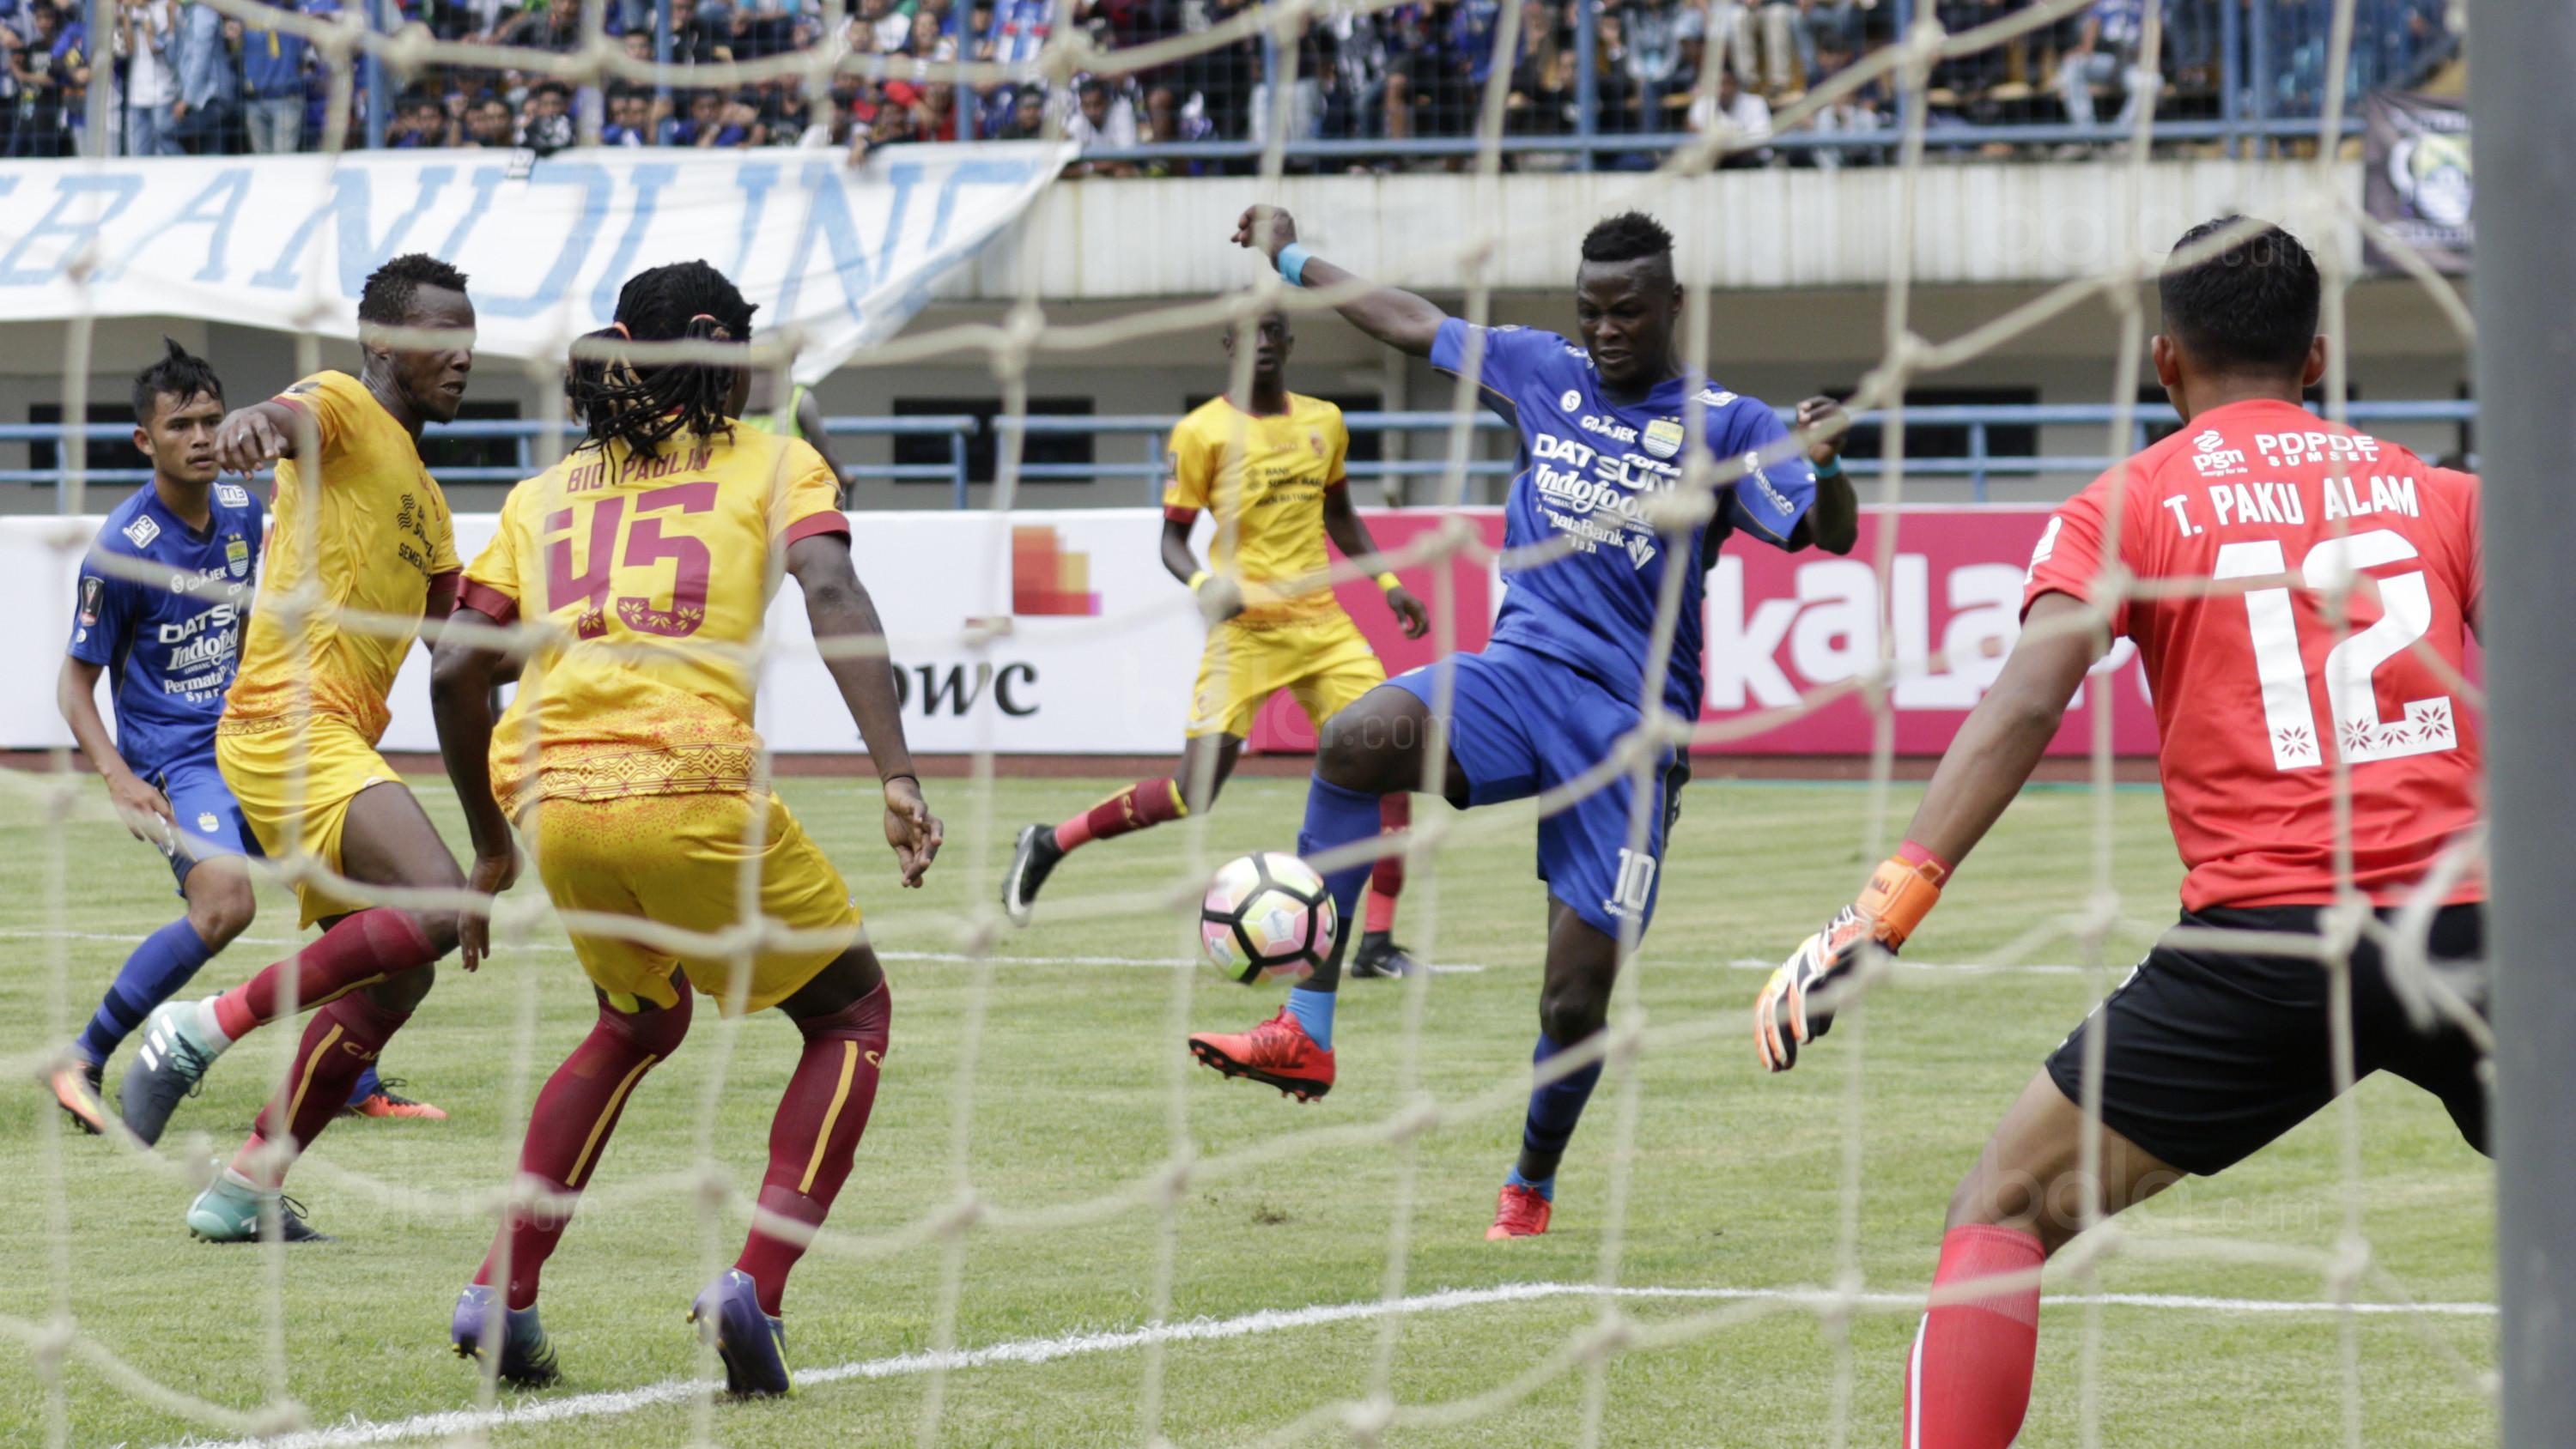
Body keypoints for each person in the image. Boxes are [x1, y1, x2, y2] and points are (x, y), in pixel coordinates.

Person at [1751, 220, 2488, 1447]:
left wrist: (1886, 908)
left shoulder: (2127, 503)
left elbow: (2028, 700)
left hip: (2267, 950)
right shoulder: (2445, 495)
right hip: (2475, 933)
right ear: (2316, 358)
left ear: (2164, 363)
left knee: (2003, 1208)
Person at [1212, 207, 1856, 1241]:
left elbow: (1829, 534)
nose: (1607, 330)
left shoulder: (1730, 423)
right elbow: (1406, 320)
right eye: (1592, 311)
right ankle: (1308, 1027)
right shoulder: (1539, 370)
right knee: (1352, 740)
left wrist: (1826, 464)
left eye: (1628, 313)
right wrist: (1288, 254)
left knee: (1572, 1002)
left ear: (1674, 307)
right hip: (1515, 676)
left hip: (1630, 737)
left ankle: (1531, 1179)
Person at [434, 260, 939, 1396]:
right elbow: (835, 596)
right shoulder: (775, 460)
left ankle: (499, 1293)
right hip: (696, 782)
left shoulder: (542, 493)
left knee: (636, 1020)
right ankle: (755, 1285)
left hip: (559, 799)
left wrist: (488, 837)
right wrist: (897, 774)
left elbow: (459, 667)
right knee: (852, 1012)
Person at [116, 254, 481, 1245]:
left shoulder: (432, 506)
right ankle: (200, 1025)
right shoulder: (344, 406)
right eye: (438, 338)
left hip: (332, 743)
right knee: (441, 908)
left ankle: (242, 1190)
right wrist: (247, 428)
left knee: (400, 974)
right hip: (286, 722)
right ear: (381, 342)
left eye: (469, 339)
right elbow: (286, 419)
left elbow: (462, 653)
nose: (460, 357)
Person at [1002, 307, 1434, 976]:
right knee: (1192, 794)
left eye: (1274, 331)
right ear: (1228, 345)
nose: (1262, 343)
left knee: (1392, 763)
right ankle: (1049, 843)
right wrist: (1205, 581)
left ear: (1290, 341)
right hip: (1246, 635)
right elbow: (1169, 541)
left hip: (1323, 627)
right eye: (1248, 334)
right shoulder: (1201, 432)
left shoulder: (1324, 421)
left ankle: (1374, 945)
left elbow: (1340, 515)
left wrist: (1388, 582)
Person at [737, 364, 848, 500]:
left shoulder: (736, 398)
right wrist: (841, 476)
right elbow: (823, 447)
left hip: (748, 492)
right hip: (789, 493)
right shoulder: (800, 398)